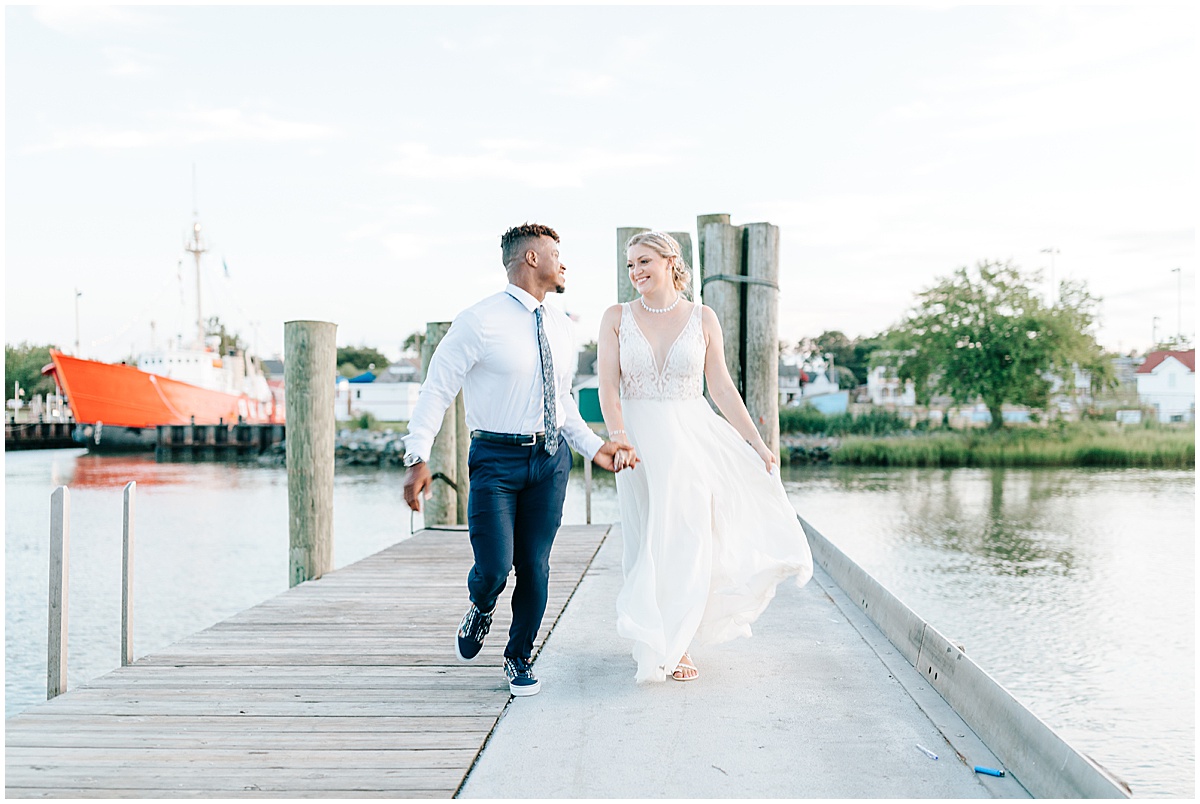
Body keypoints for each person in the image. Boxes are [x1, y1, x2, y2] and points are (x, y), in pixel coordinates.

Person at [403, 222, 638, 698]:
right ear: (532, 259)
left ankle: (518, 656)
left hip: (550, 460)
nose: (564, 262)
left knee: (535, 564)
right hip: (495, 459)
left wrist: (595, 448)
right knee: (494, 567)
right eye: (557, 253)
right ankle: (481, 605)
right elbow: (437, 389)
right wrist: (417, 456)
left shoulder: (560, 323)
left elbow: (562, 400)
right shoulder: (478, 321)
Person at [596, 230, 812, 683]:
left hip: (690, 439)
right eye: (630, 264)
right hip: (636, 442)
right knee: (647, 537)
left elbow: (721, 388)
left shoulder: (703, 317)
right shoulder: (616, 317)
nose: (635, 272)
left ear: (670, 259)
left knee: (689, 537)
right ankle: (651, 633)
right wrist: (618, 440)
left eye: (643, 261)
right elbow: (608, 388)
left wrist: (756, 441)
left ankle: (679, 641)